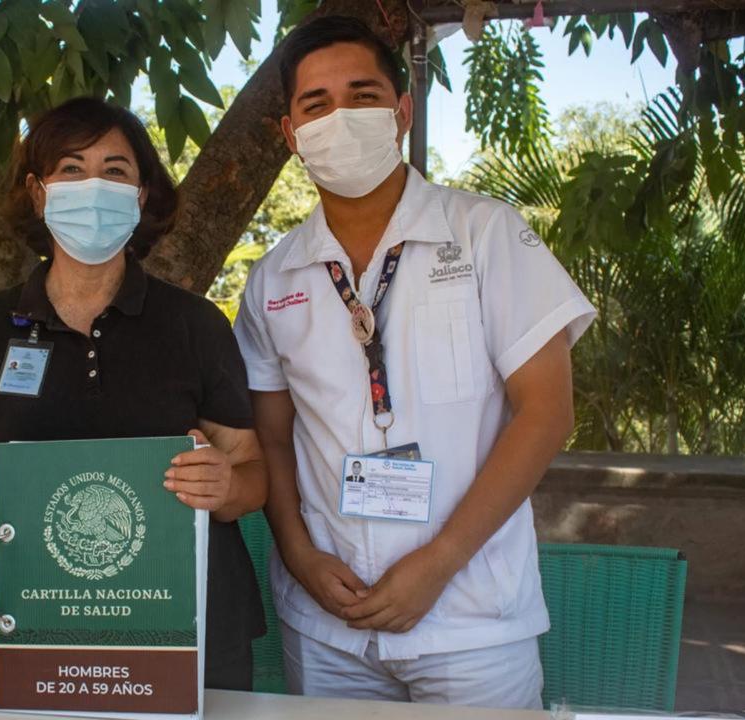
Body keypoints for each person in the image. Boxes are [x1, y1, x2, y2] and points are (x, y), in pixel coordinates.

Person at [233, 16, 597, 707]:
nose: (339, 117)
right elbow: (270, 439)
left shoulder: (486, 235)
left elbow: (547, 412)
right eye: (315, 104)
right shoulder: (274, 279)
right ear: (290, 133)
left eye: (363, 95)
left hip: (471, 621)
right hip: (327, 624)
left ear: (402, 111)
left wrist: (439, 563)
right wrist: (301, 557)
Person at [0, 97, 267, 690]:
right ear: (39, 192)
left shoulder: (195, 325)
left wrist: (225, 485)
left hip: (196, 636)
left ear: (141, 195)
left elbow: (252, 473)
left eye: (115, 170)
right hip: (36, 629)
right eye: (71, 169)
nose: (93, 185)